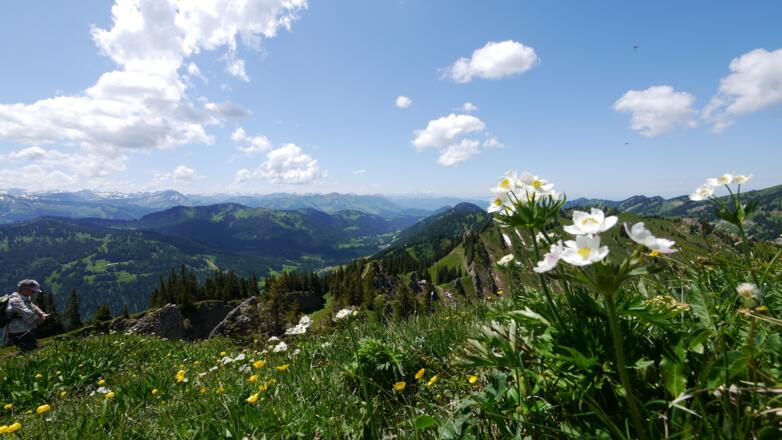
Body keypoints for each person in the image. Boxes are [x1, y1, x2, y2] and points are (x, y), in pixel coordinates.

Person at [2, 280, 50, 352]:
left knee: (32, 347)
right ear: (24, 289)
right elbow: (27, 313)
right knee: (30, 350)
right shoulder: (15, 300)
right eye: (32, 291)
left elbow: (33, 306)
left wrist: (42, 313)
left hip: (24, 328)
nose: (33, 293)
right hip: (16, 330)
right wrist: (39, 319)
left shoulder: (25, 298)